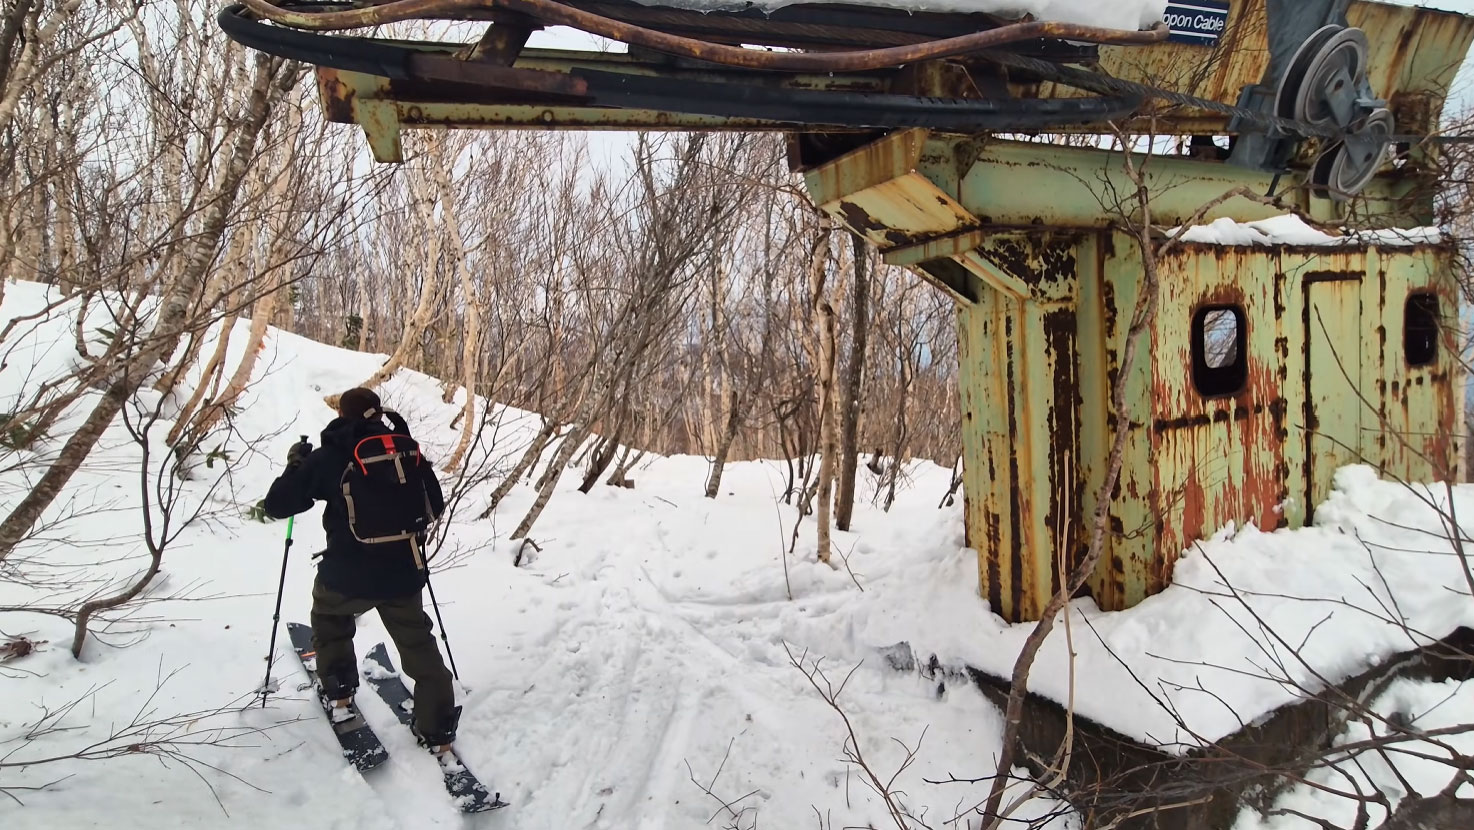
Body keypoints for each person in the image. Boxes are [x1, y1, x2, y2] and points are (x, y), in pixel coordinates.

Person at [264, 387, 458, 753]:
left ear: (341, 414)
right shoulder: (405, 450)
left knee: (329, 619)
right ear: (378, 412)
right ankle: (440, 731)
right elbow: (435, 503)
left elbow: (278, 504)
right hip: (404, 571)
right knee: (418, 644)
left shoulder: (333, 455)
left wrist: (296, 465)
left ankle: (339, 695)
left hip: (347, 572)